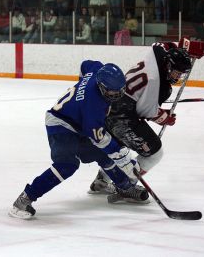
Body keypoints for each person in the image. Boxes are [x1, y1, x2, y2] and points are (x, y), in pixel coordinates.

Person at [9, 61, 150, 220]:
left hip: (77, 122)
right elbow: (101, 139)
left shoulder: (97, 70)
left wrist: (80, 89)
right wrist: (123, 157)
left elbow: (86, 64)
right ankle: (23, 200)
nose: (116, 96)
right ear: (101, 86)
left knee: (102, 155)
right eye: (111, 93)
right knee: (67, 165)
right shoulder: (93, 106)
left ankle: (124, 188)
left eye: (119, 91)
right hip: (60, 124)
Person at [88, 42, 192, 194]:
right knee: (155, 153)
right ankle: (125, 186)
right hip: (121, 116)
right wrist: (164, 117)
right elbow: (146, 110)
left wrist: (177, 46)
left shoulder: (156, 54)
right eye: (176, 72)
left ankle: (102, 181)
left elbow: (159, 44)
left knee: (118, 149)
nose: (178, 76)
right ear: (168, 65)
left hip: (111, 108)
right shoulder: (155, 82)